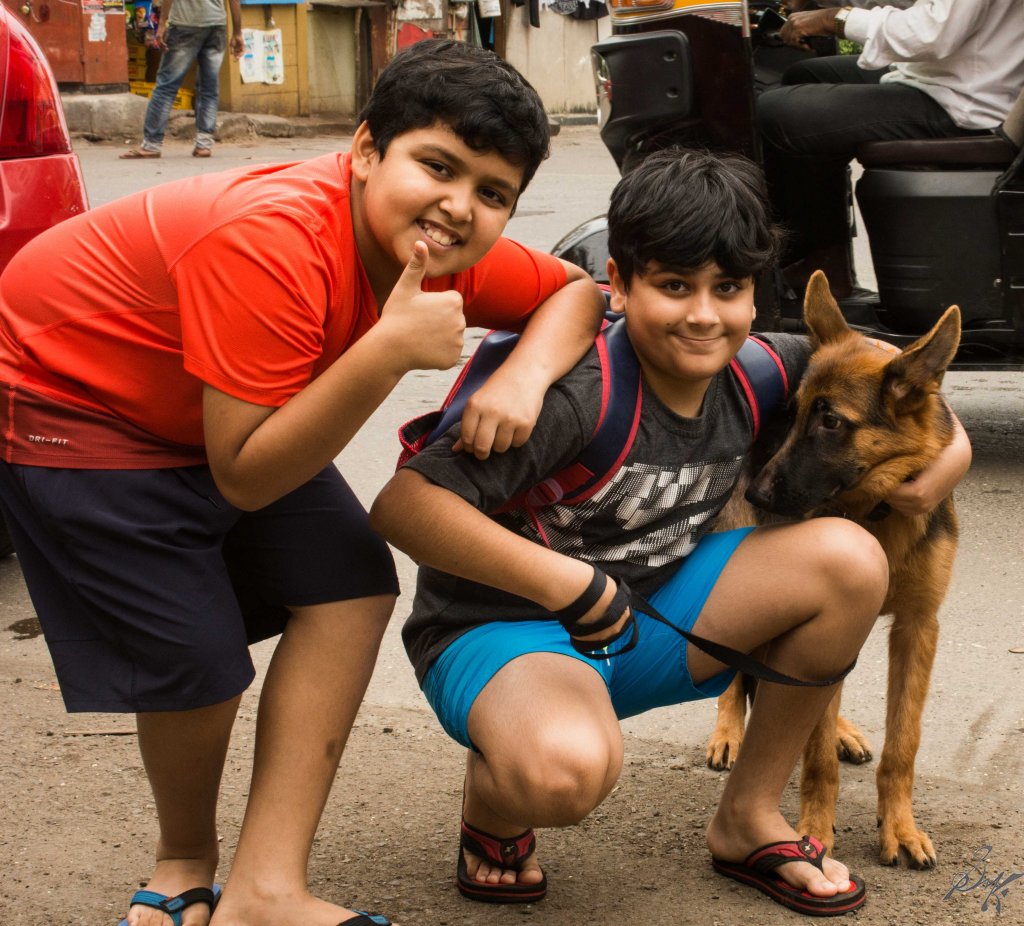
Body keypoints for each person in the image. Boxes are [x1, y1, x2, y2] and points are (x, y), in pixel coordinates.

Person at [0, 39, 605, 926]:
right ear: (364, 150)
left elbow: (576, 294)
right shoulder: (276, 241)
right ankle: (184, 863)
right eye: (437, 166)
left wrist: (521, 377)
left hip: (221, 409)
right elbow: (246, 477)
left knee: (350, 586)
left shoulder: (437, 246)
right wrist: (389, 351)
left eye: (492, 193)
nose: (458, 206)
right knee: (196, 660)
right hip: (78, 397)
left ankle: (265, 890)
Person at [370, 149, 972, 916]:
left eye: (728, 289)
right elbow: (403, 506)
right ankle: (494, 805)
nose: (703, 316)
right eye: (675, 286)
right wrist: (566, 583)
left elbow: (904, 386)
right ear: (619, 284)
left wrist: (950, 462)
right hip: (508, 633)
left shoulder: (763, 369)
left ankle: (748, 817)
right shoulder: (575, 394)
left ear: (754, 294)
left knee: (851, 561)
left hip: (644, 624)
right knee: (563, 775)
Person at [758, 0, 1024, 297]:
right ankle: (824, 260)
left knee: (773, 113)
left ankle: (820, 269)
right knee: (805, 75)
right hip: (952, 74)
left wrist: (835, 19)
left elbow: (929, 34)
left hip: (967, 102)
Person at [120, 0, 243, 159]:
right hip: (216, 25)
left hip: (185, 24)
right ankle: (204, 144)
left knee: (166, 86)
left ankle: (151, 145)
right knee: (209, 86)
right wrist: (237, 32)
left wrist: (162, 23)